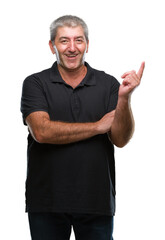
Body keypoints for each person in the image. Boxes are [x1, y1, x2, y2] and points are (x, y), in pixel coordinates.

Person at [21, 15, 145, 240]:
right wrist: (98, 126)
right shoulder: (35, 83)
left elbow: (120, 139)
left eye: (78, 40)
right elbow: (41, 131)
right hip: (47, 202)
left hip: (96, 201)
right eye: (64, 41)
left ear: (87, 44)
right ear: (52, 46)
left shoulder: (109, 85)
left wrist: (125, 100)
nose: (72, 48)